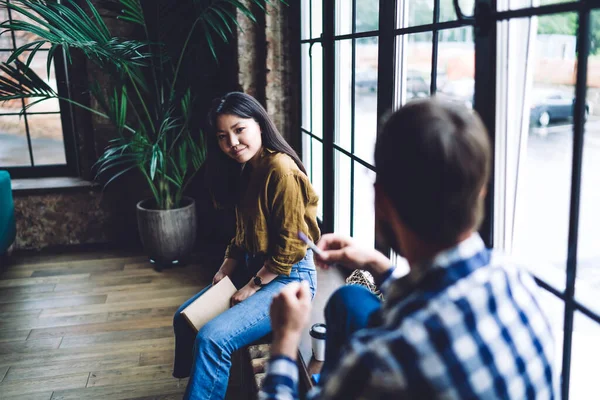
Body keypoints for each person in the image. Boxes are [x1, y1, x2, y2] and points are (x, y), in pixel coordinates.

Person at [260, 99, 557, 399]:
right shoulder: (515, 277)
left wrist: (285, 339)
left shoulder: (384, 361)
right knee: (349, 299)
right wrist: (378, 265)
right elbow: (437, 297)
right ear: (480, 190)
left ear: (381, 201)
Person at [172, 92, 320, 400]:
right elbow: (244, 232)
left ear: (260, 124)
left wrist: (253, 284)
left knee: (212, 339)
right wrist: (226, 267)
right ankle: (204, 381)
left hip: (290, 277)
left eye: (239, 130)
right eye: (223, 136)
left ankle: (205, 382)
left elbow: (293, 245)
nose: (233, 142)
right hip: (258, 267)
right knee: (184, 318)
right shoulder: (246, 168)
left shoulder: (280, 169)